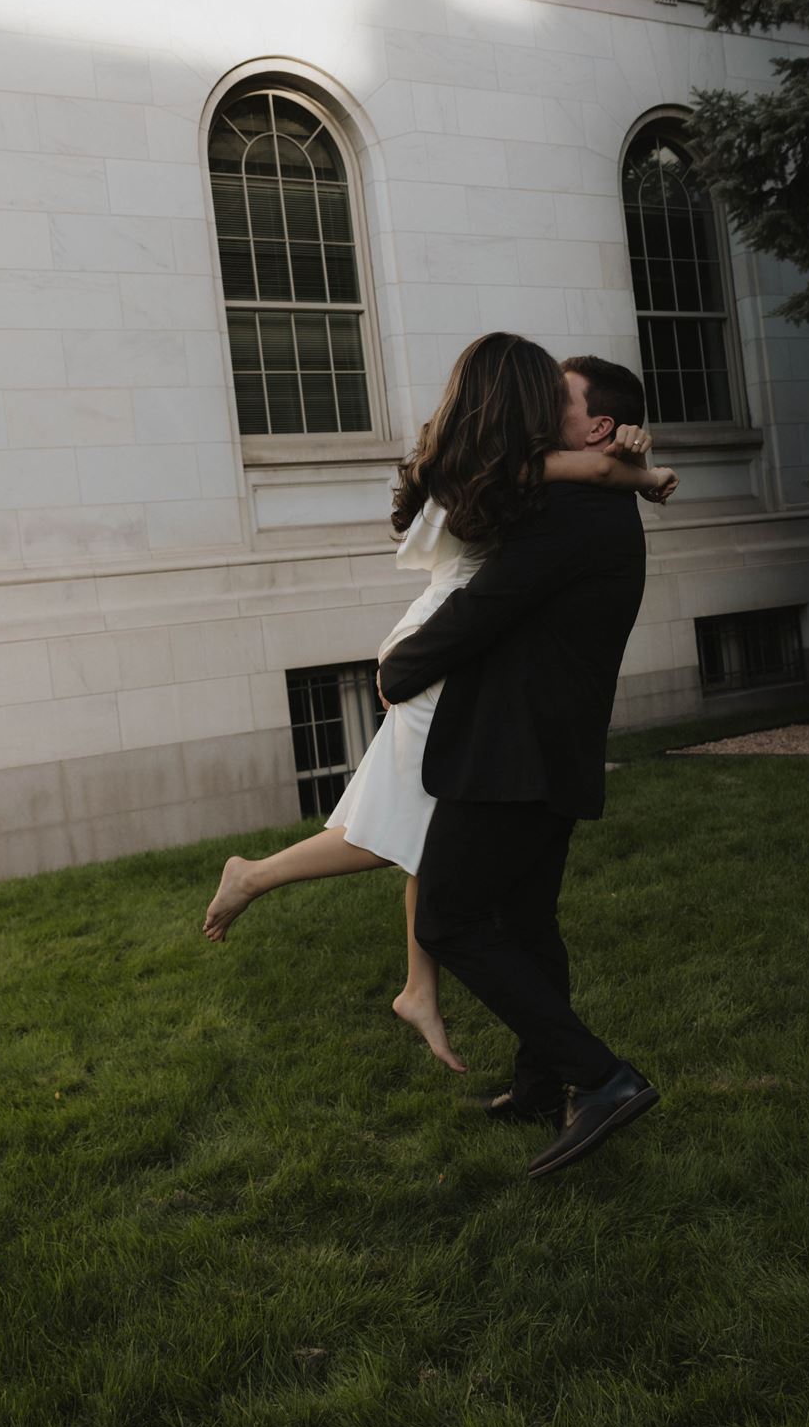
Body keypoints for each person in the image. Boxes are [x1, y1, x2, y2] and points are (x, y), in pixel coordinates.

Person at [202, 335, 677, 1083]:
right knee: (418, 825)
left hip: (467, 666)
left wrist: (624, 465)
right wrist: (629, 469)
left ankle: (445, 1009)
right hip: (440, 653)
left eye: (562, 396)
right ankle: (272, 888)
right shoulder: (497, 473)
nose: (547, 404)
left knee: (437, 836)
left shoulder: (538, 481)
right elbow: (526, 517)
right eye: (543, 393)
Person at [377, 347, 662, 1179]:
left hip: (513, 756)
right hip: (546, 752)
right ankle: (543, 1084)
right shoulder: (586, 499)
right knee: (526, 924)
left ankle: (602, 1079)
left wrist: (397, 669)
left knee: (449, 920)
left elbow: (482, 610)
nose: (542, 414)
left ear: (597, 424)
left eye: (558, 402)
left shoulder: (574, 514)